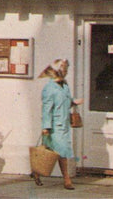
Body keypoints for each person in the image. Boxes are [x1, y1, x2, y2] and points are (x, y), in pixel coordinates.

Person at [34, 58, 83, 190]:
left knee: (50, 151)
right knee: (62, 152)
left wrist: (74, 102)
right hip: (54, 126)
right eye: (63, 69)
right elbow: (46, 109)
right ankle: (67, 179)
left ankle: (36, 172)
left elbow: (65, 102)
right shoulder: (49, 88)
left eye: (66, 69)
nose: (66, 72)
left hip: (64, 124)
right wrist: (46, 127)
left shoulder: (64, 85)